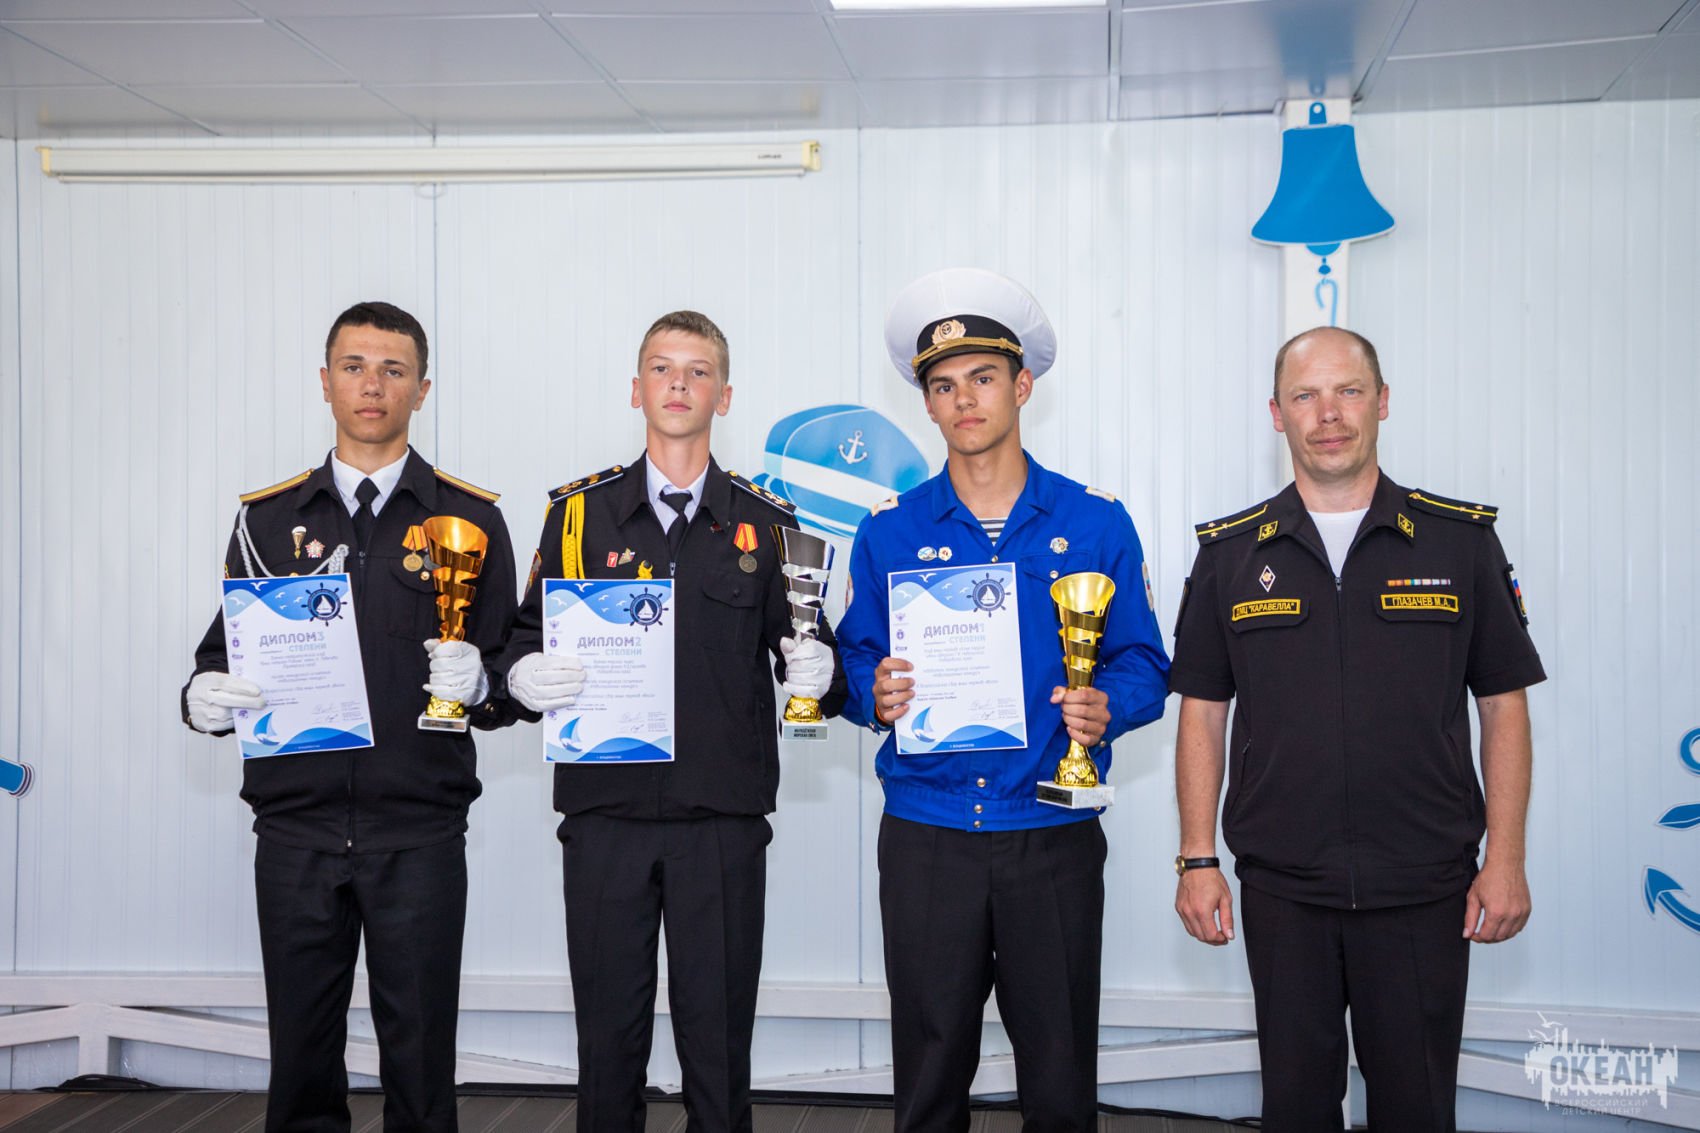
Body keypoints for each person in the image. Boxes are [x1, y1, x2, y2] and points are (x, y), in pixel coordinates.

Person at [1169, 326, 1545, 1132]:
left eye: (1347, 391)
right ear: (1277, 413)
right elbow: (1202, 711)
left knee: (1417, 1108)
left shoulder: (1459, 542)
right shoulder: (1231, 556)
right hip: (1284, 890)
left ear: (1382, 401)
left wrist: (1506, 858)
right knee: (1295, 1108)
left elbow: (1503, 706)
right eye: (1305, 395)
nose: (1328, 413)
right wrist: (1197, 858)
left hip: (1424, 887)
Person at [836, 268, 1171, 1131]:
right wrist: (872, 691)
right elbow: (852, 657)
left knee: (1059, 1077)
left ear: (1022, 386)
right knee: (928, 1077)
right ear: (927, 403)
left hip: (1051, 829)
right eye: (943, 385)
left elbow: (1143, 659)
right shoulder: (889, 529)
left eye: (983, 378)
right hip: (928, 833)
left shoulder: (1096, 522)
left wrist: (1109, 705)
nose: (964, 399)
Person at [500, 309, 846, 1133]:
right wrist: (520, 674)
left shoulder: (768, 521)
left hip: (720, 822)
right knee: (606, 1044)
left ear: (724, 395)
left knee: (719, 1050)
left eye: (698, 371)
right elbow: (521, 639)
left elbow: (810, 652)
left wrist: (822, 675)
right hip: (604, 817)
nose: (679, 384)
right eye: (662, 368)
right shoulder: (577, 516)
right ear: (637, 388)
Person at [182, 301, 521, 1132]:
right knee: (301, 1057)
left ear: (422, 389)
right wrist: (199, 698)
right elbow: (222, 655)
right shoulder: (266, 520)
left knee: (422, 1058)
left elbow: (508, 677)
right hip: (295, 830)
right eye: (355, 366)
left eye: (393, 369)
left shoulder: (471, 519)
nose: (373, 385)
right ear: (325, 382)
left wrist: (485, 682)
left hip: (420, 830)